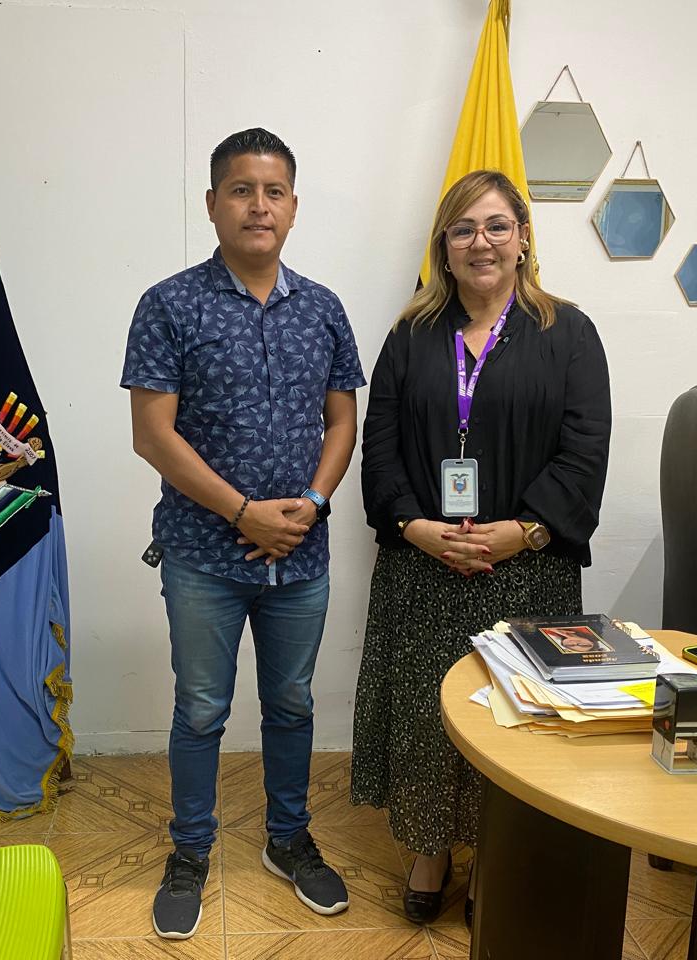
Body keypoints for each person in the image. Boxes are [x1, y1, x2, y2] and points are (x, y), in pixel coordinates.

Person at [122, 128, 366, 940]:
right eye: (240, 189)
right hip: (202, 556)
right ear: (212, 203)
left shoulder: (323, 309)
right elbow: (152, 435)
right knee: (200, 709)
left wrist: (312, 504)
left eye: (273, 191)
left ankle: (287, 839)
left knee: (291, 703)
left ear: (293, 207)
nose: (258, 205)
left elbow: (343, 419)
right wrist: (243, 513)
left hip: (302, 554)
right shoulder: (169, 304)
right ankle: (190, 851)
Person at [350, 169, 611, 924]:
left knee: (512, 722)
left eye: (497, 226)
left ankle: (499, 855)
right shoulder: (410, 335)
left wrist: (523, 529)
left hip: (528, 570)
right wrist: (415, 527)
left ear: (523, 237)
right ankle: (429, 851)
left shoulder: (570, 333)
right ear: (444, 246)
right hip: (424, 567)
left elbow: (585, 449)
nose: (481, 242)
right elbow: (380, 446)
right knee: (428, 717)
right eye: (463, 229)